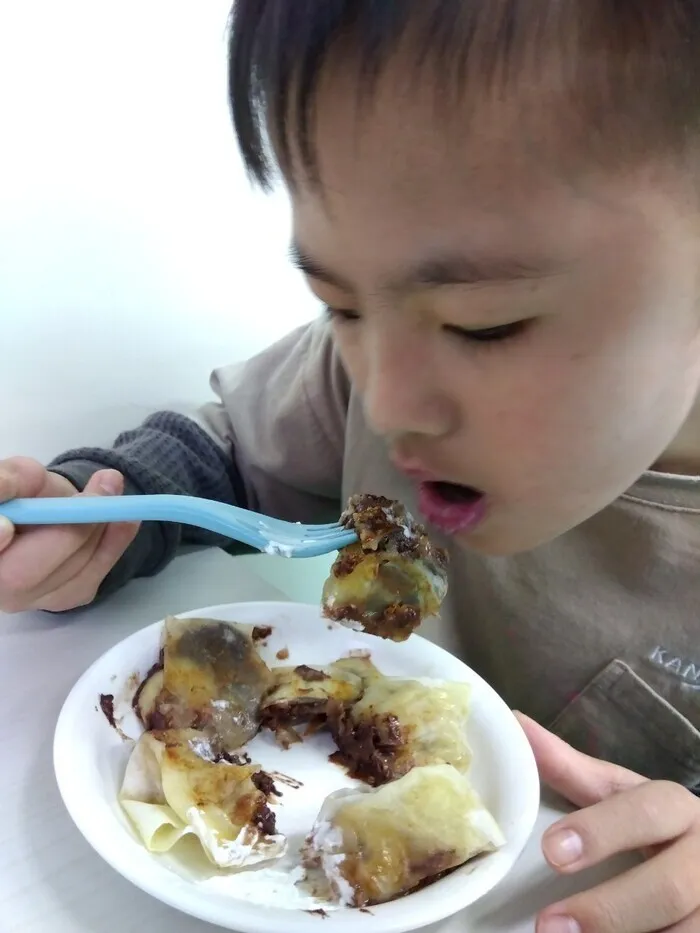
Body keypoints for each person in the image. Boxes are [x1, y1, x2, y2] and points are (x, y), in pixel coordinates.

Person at [2, 2, 700, 929]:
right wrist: (101, 521)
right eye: (342, 305)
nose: (384, 401)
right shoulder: (355, 383)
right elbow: (220, 459)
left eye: (482, 324)